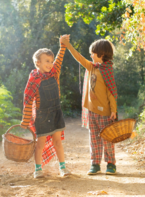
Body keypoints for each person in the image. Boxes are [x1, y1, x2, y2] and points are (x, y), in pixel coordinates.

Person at [60, 35, 118, 175]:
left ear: (102, 54)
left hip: (104, 112)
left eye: (93, 52)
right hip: (91, 111)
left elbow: (112, 92)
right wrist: (67, 44)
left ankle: (111, 163)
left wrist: (113, 110)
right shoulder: (92, 67)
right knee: (94, 139)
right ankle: (95, 164)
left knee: (108, 139)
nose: (90, 55)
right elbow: (79, 57)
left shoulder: (107, 70)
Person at [20, 36, 71, 178]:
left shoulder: (54, 73)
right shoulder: (34, 79)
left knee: (57, 142)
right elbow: (28, 100)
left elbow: (59, 59)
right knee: (40, 143)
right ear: (38, 62)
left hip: (56, 112)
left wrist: (63, 45)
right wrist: (25, 120)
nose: (50, 64)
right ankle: (38, 169)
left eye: (51, 61)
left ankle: (63, 168)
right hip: (42, 115)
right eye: (47, 61)